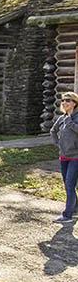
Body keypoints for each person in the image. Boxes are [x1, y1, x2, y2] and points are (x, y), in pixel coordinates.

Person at [50, 92, 78, 223]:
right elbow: (53, 131)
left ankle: (67, 215)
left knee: (70, 184)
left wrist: (70, 121)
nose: (64, 103)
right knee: (67, 185)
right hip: (64, 156)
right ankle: (75, 209)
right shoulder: (61, 118)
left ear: (74, 103)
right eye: (63, 101)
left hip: (76, 157)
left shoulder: (75, 118)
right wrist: (58, 144)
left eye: (68, 100)